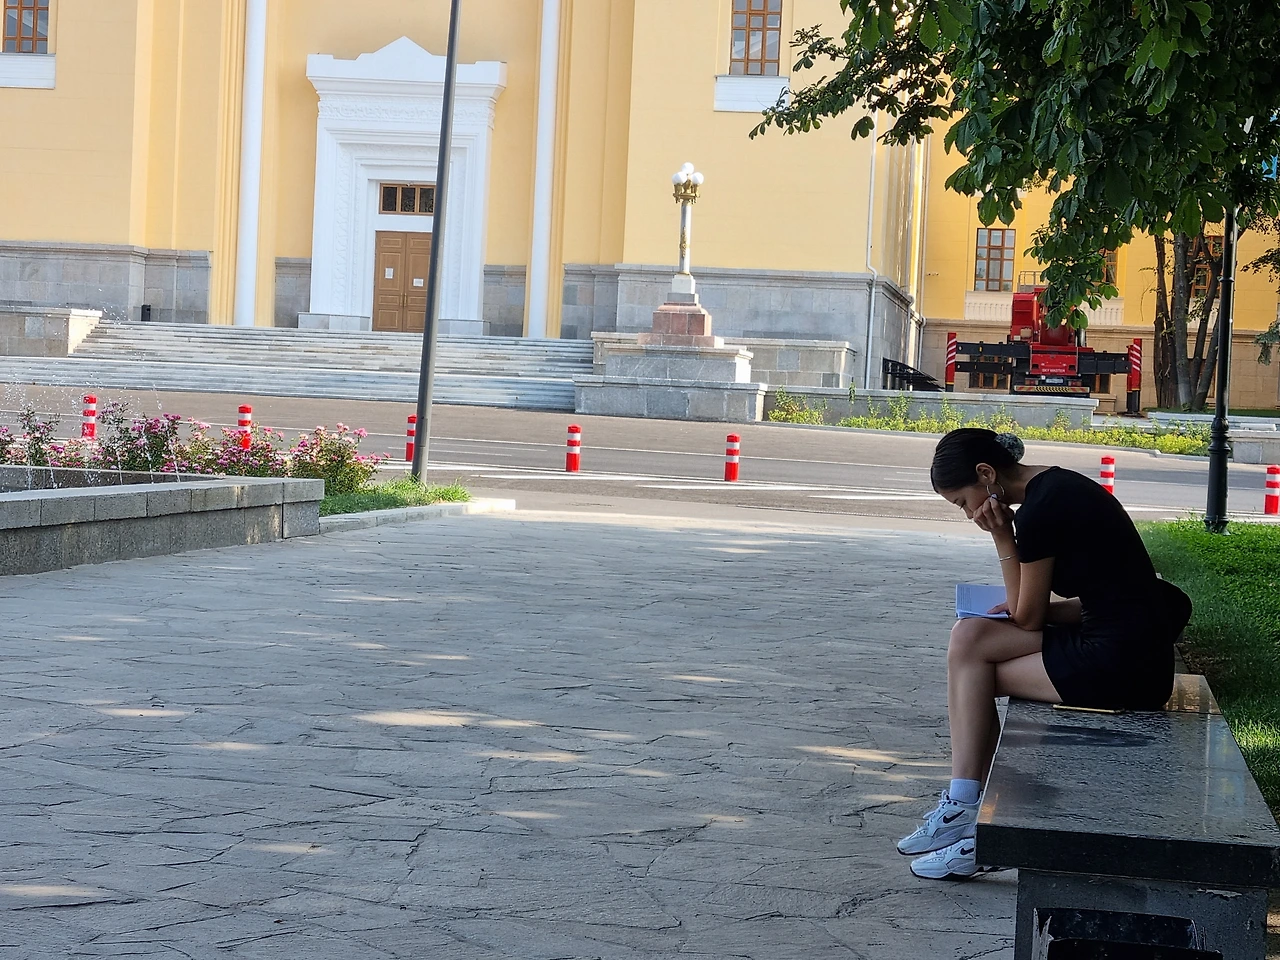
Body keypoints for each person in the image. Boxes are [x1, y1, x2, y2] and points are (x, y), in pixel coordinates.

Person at [898, 428, 1192, 880]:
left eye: (963, 502)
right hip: (1125, 642)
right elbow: (1104, 592)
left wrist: (1002, 537)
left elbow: (1027, 617)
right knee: (969, 640)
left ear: (986, 473)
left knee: (972, 672)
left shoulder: (1039, 511)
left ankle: (989, 821)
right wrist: (1029, 604)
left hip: (1122, 664)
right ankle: (970, 806)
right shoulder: (1056, 486)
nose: (970, 514)